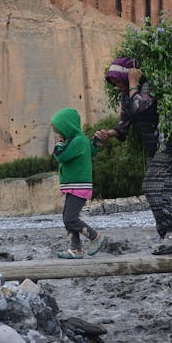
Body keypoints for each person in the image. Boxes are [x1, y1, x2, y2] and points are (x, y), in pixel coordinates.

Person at [95, 57, 172, 254]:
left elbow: (141, 107)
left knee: (152, 188)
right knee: (161, 192)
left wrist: (134, 83)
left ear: (127, 76)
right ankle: (171, 237)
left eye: (118, 82)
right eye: (114, 84)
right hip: (153, 149)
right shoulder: (127, 96)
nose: (117, 87)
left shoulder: (149, 87)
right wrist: (109, 134)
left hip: (168, 145)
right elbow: (124, 126)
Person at [50, 107, 104, 259]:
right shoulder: (79, 140)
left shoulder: (77, 141)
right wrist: (97, 143)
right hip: (73, 187)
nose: (57, 133)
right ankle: (75, 249)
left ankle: (95, 237)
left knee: (70, 218)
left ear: (67, 127)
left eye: (58, 130)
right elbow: (91, 151)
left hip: (78, 186)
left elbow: (60, 156)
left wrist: (59, 144)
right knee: (67, 218)